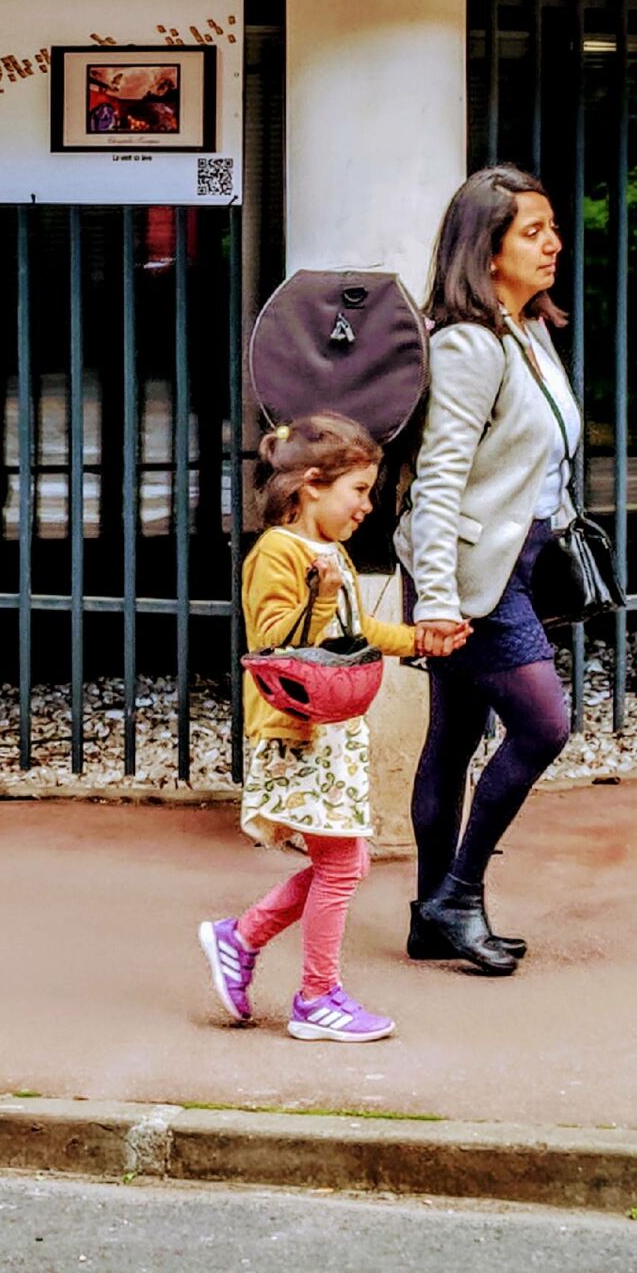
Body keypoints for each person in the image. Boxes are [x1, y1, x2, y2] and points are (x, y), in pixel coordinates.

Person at [198, 414, 441, 1042]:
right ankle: (316, 997)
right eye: (358, 490)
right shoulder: (277, 552)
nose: (367, 505)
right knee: (340, 865)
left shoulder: (330, 552)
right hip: (296, 732)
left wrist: (418, 639)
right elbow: (277, 644)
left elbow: (353, 632)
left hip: (332, 731)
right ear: (311, 484)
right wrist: (325, 595)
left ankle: (241, 937)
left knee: (347, 863)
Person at [395, 165, 577, 976]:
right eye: (532, 231)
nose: (553, 243)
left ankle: (431, 916)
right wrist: (436, 600)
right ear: (486, 249)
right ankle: (457, 897)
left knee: (454, 735)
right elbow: (437, 482)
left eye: (551, 227)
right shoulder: (467, 345)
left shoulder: (527, 332)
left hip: (517, 557)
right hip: (473, 576)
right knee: (543, 726)